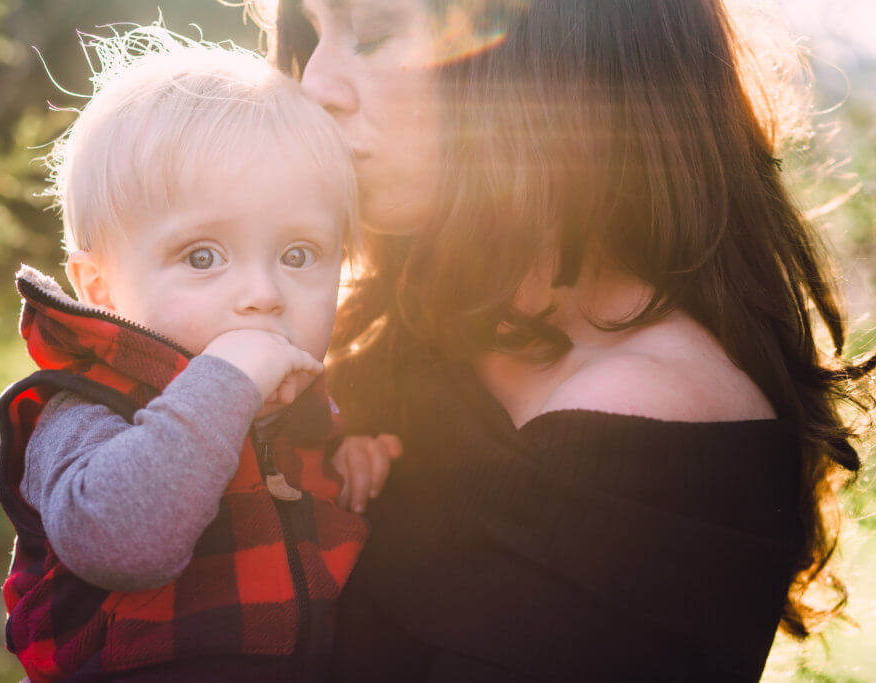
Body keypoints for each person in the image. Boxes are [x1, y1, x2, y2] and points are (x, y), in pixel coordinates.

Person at [254, 0, 876, 680]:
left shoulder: (643, 427)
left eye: (373, 34)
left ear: (544, 57)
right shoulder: (413, 316)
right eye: (310, 35)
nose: (314, 85)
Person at [0, 26, 399, 682]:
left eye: (299, 254)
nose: (264, 294)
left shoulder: (298, 411)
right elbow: (123, 543)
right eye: (202, 256)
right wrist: (225, 379)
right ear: (101, 288)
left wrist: (344, 467)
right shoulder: (81, 412)